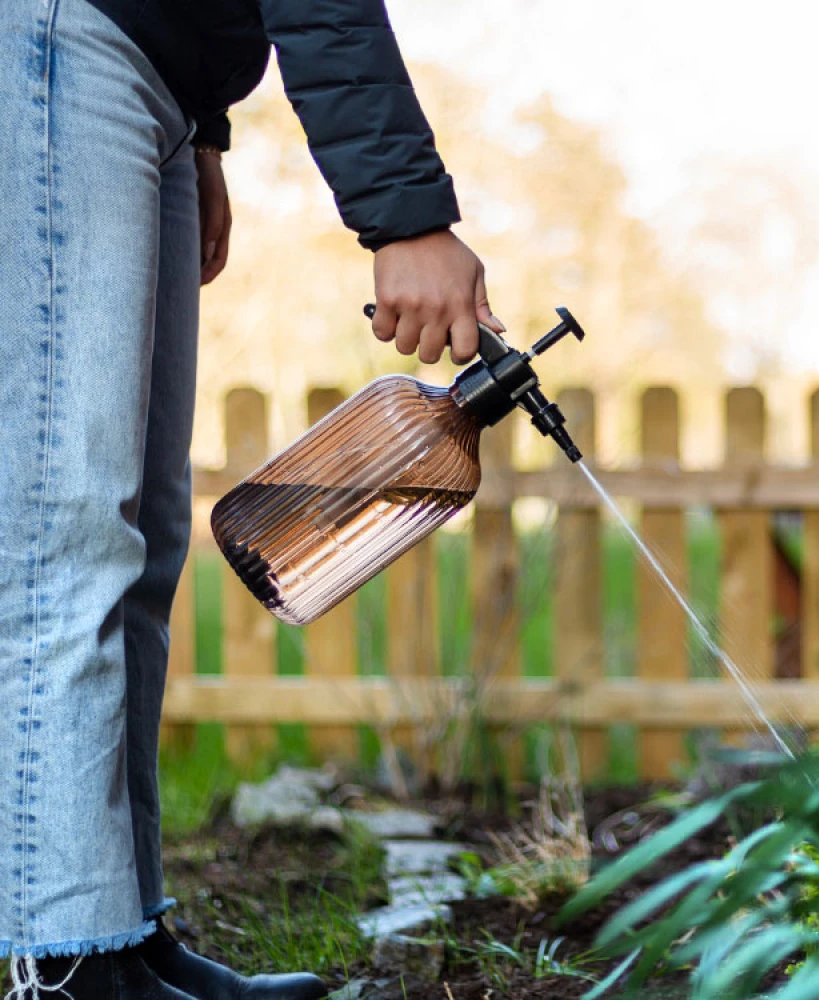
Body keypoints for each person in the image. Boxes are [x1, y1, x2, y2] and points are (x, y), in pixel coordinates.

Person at [0, 0, 503, 996]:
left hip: (153, 76)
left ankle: (120, 932)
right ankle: (59, 960)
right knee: (66, 540)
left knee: (140, 546)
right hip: (65, 33)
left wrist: (207, 131)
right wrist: (405, 213)